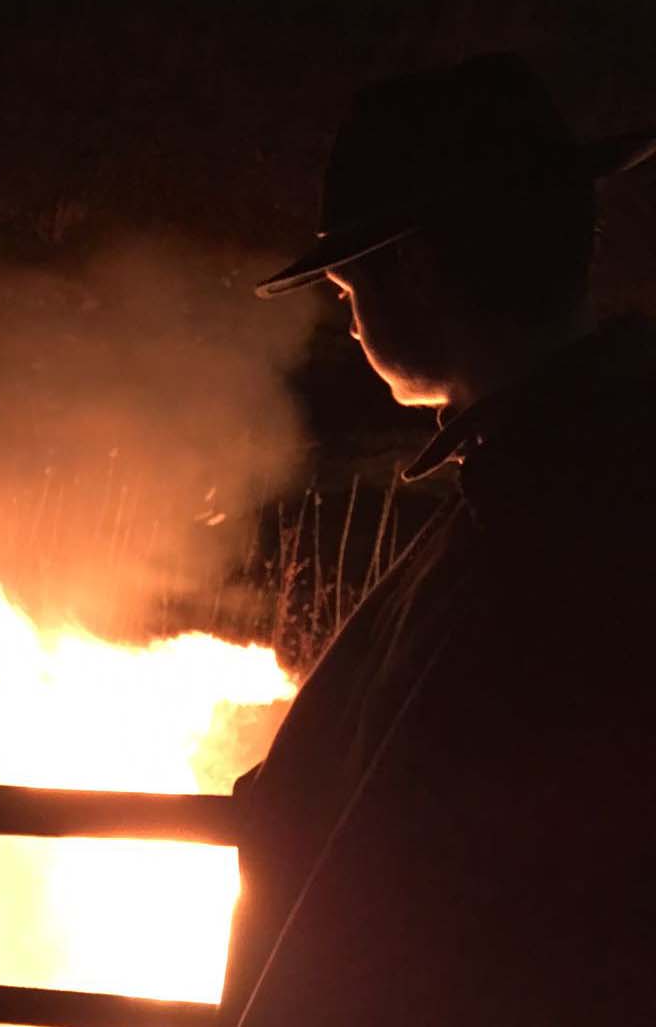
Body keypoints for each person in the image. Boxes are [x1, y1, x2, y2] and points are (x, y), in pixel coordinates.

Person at [227, 54, 656, 1026]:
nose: (348, 325)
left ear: (415, 270)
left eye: (347, 292)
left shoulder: (552, 514)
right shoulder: (553, 471)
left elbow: (428, 869)